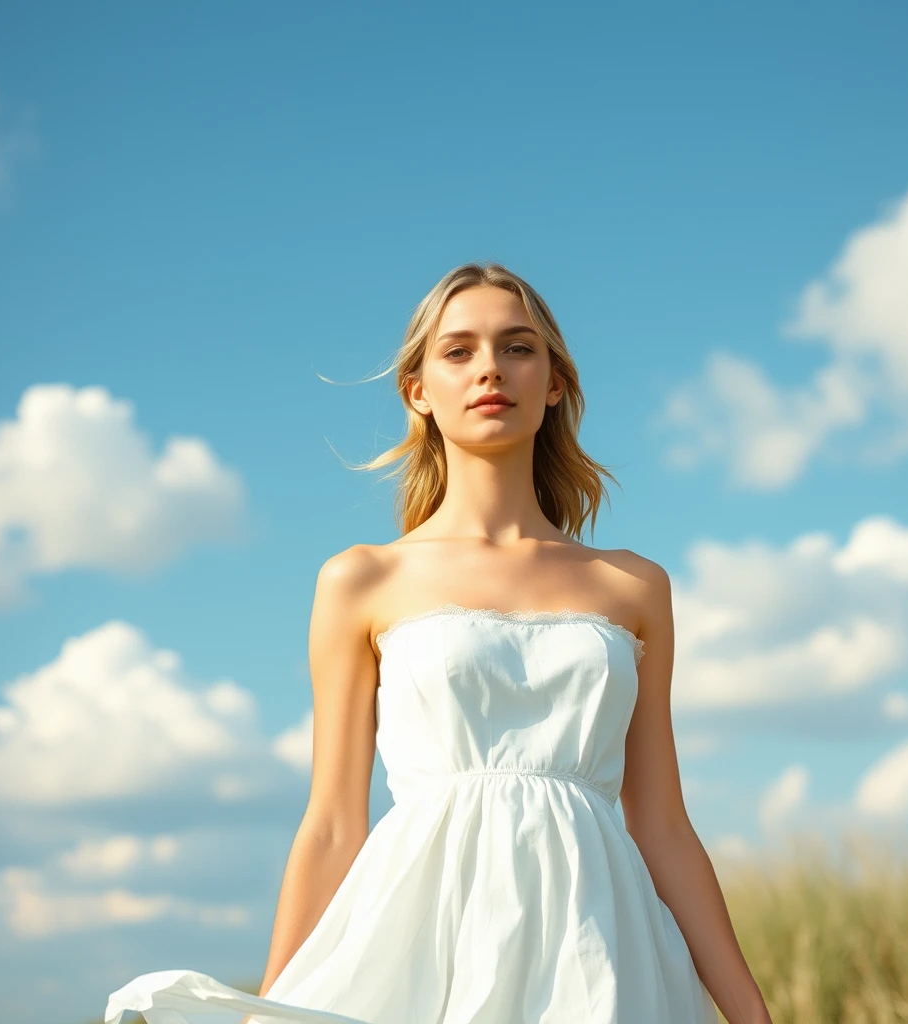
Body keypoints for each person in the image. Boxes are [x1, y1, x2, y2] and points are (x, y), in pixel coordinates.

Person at [105, 262, 773, 1024]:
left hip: (600, 940)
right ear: (418, 391)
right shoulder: (362, 579)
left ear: (554, 382)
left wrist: (751, 1013)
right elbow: (331, 822)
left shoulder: (633, 586)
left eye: (518, 347)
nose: (490, 367)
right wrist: (270, 1007)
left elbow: (662, 825)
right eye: (458, 351)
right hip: (424, 934)